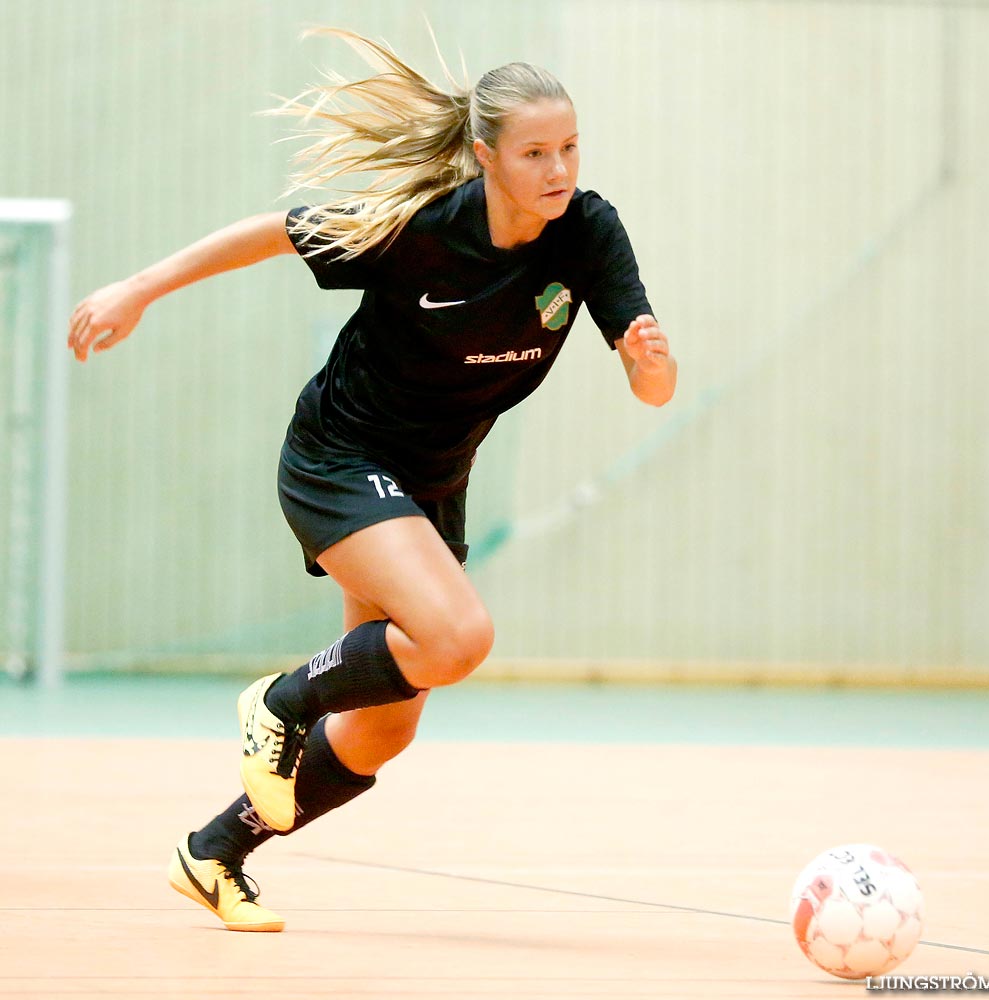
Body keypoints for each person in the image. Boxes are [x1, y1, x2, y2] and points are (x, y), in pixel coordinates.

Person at [67, 29, 677, 933]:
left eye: (571, 147)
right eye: (536, 152)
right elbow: (274, 233)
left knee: (386, 726)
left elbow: (655, 389)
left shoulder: (587, 230)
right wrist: (140, 288)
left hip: (432, 482)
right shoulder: (422, 228)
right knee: (460, 636)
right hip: (341, 460)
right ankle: (280, 701)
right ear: (485, 156)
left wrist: (644, 362)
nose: (559, 168)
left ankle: (213, 852)